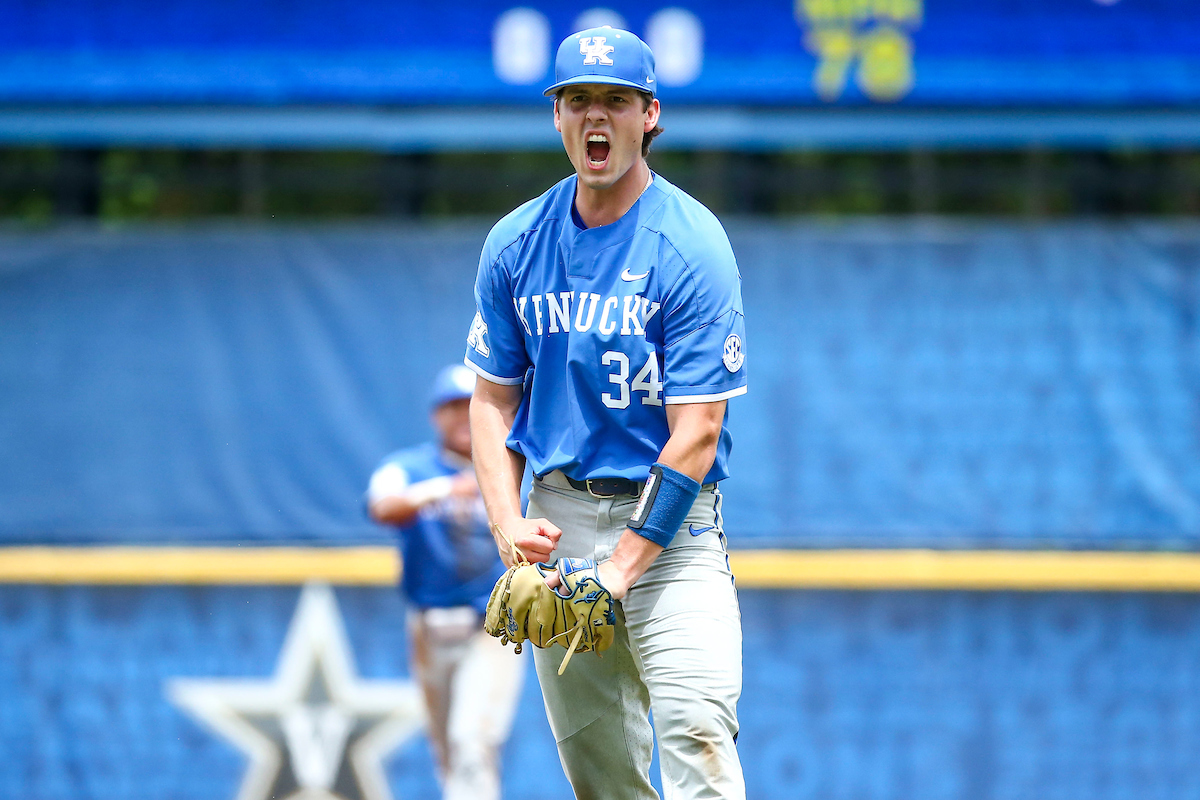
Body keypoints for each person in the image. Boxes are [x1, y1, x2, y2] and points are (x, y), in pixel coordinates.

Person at [463, 26, 748, 800]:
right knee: (603, 780)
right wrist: (505, 524)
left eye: (616, 101)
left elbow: (698, 432)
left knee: (697, 732)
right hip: (558, 520)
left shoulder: (691, 245)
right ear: (556, 116)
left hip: (672, 533)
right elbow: (491, 400)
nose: (598, 117)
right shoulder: (517, 242)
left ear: (650, 113)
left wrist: (620, 570)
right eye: (579, 100)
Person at [366, 364, 525, 800]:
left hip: (493, 627)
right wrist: (440, 491)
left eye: (467, 405)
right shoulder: (410, 468)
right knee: (448, 753)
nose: (460, 416)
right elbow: (382, 506)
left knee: (472, 740)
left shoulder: (513, 465)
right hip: (429, 625)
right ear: (436, 416)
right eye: (450, 407)